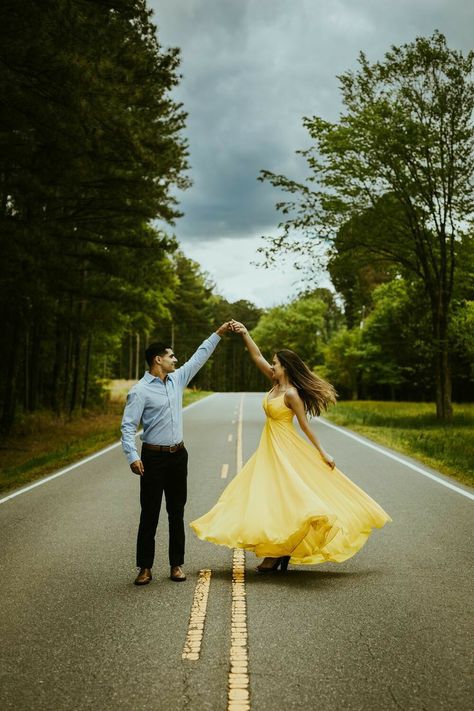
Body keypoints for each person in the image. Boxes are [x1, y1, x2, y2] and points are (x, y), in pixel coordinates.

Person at [191, 321, 391, 572]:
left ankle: (277, 554)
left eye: (275, 362)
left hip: (285, 449)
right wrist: (245, 334)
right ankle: (278, 550)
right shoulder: (274, 384)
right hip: (269, 448)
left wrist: (322, 452)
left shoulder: (291, 394)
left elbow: (306, 426)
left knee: (289, 497)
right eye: (272, 362)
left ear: (284, 366)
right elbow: (256, 356)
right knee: (270, 498)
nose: (272, 365)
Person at [121, 323, 231, 586]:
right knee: (150, 513)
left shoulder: (178, 379)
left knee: (176, 512)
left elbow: (199, 356)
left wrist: (218, 333)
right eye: (171, 356)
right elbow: (127, 426)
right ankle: (145, 568)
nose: (176, 360)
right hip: (153, 458)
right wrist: (132, 457)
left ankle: (176, 565)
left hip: (178, 456)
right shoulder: (139, 391)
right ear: (158, 360)